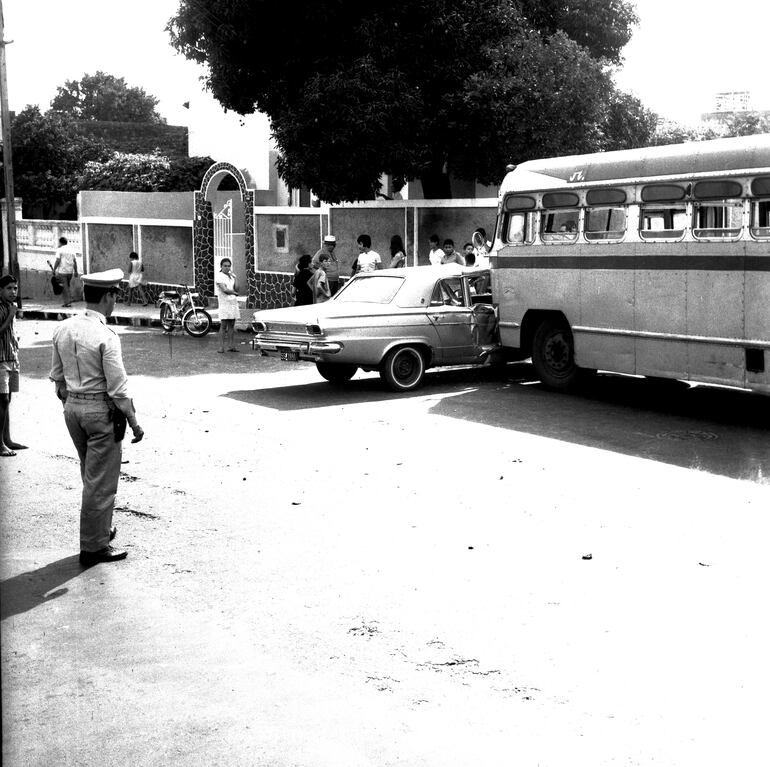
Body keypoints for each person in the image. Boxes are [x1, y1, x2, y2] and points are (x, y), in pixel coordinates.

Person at [49, 268, 144, 565]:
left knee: (90, 474)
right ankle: (93, 546)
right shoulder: (106, 335)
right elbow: (118, 388)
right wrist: (134, 422)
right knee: (101, 482)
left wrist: (73, 401)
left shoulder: (63, 328)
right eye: (115, 295)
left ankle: (100, 529)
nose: (115, 300)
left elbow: (58, 379)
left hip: (73, 410)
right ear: (108, 296)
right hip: (99, 412)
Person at [0, 275, 27, 457]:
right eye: (9, 288)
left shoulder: (11, 307)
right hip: (1, 360)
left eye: (15, 288)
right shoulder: (4, 309)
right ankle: (0, 443)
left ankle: (7, 439)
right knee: (2, 401)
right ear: (0, 290)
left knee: (7, 400)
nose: (13, 292)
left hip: (11, 358)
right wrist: (10, 316)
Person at [216, 258, 240, 353]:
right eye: (225, 266)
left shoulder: (231, 276)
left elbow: (237, 288)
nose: (227, 268)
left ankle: (231, 345)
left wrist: (235, 277)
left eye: (228, 266)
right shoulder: (219, 276)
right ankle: (221, 347)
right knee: (223, 325)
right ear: (221, 266)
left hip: (232, 302)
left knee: (232, 324)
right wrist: (234, 293)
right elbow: (224, 290)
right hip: (224, 302)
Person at [53, 236, 79, 308]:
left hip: (62, 271)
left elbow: (58, 261)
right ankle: (67, 301)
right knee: (67, 286)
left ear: (60, 242)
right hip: (70, 272)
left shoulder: (60, 250)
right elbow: (75, 262)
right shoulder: (72, 250)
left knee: (65, 287)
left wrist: (54, 269)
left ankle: (67, 302)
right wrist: (76, 271)